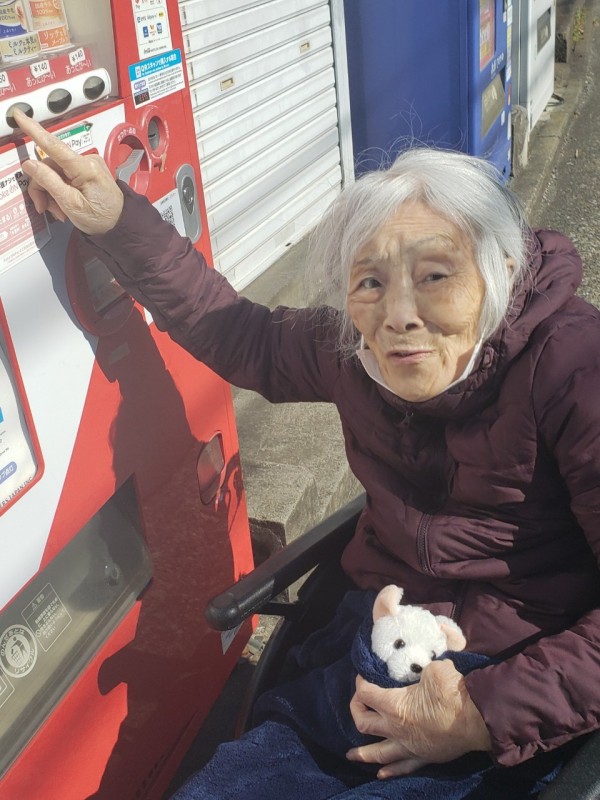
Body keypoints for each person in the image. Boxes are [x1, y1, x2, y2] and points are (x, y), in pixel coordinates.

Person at [13, 107, 600, 798]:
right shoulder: (356, 349)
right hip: (370, 636)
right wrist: (117, 220)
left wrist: (478, 713)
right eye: (370, 281)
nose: (398, 315)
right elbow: (241, 334)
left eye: (436, 276)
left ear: (502, 269)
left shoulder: (575, 367)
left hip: (513, 674)